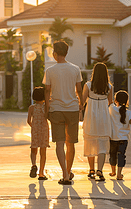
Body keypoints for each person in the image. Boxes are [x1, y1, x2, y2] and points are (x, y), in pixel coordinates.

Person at [43, 40, 83, 185]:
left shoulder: (50, 71)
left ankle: (65, 174)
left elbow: (47, 91)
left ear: (54, 54)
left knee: (59, 144)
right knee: (70, 143)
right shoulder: (75, 69)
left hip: (56, 110)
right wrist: (81, 107)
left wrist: (47, 109)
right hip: (72, 109)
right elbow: (79, 90)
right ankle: (68, 170)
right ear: (66, 53)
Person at [83, 62, 113, 181]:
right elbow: (110, 102)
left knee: (90, 141)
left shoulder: (88, 85)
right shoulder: (109, 87)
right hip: (104, 117)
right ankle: (100, 170)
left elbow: (83, 100)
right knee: (102, 143)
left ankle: (91, 170)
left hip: (91, 115)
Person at [109, 90, 131, 180]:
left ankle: (113, 171)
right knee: (121, 155)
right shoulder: (129, 113)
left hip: (113, 138)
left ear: (115, 100)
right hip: (124, 138)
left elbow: (109, 100)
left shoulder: (112, 109)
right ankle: (119, 174)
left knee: (112, 155)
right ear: (127, 101)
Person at [27, 87, 49, 180]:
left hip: (35, 130)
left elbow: (28, 121)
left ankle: (33, 165)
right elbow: (49, 117)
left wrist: (34, 127)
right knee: (43, 152)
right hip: (44, 130)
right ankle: (41, 173)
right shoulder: (46, 107)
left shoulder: (32, 108)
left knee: (33, 149)